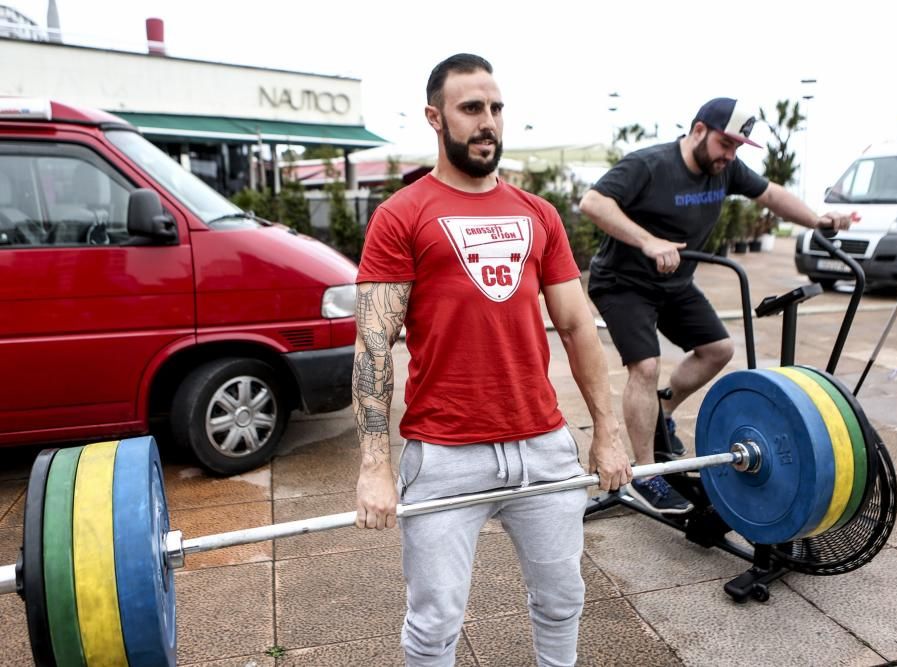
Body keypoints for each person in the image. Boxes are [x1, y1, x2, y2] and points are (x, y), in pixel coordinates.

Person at [352, 53, 632, 667]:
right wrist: (375, 465)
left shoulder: (538, 214)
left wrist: (607, 432)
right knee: (434, 624)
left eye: (496, 109)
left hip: (543, 445)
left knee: (562, 601)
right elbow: (374, 344)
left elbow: (578, 324)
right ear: (435, 117)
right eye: (471, 108)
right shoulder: (402, 215)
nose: (488, 123)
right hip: (446, 452)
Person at [579, 97, 852, 515]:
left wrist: (817, 221)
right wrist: (648, 241)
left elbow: (772, 195)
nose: (731, 155)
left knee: (718, 350)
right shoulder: (650, 164)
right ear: (699, 130)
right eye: (726, 143)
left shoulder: (725, 170)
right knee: (645, 367)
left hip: (676, 280)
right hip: (624, 282)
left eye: (738, 147)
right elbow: (593, 203)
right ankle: (646, 474)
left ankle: (663, 411)